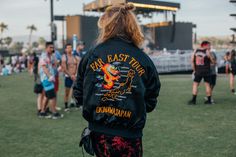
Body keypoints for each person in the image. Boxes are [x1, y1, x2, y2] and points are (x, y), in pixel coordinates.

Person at [73, 4, 161, 157]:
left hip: (99, 134)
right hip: (130, 136)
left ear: (106, 25)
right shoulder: (142, 58)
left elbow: (79, 93)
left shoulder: (92, 54)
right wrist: (133, 108)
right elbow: (151, 98)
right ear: (132, 26)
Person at [39, 41, 63, 119]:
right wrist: (50, 76)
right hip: (46, 79)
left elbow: (55, 63)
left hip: (51, 78)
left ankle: (42, 112)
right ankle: (54, 113)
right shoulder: (44, 56)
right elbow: (44, 67)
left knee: (47, 96)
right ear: (46, 48)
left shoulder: (51, 55)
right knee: (52, 95)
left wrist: (58, 66)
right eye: (50, 47)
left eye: (53, 47)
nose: (52, 49)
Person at [188, 41, 215, 105]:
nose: (210, 47)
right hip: (206, 71)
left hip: (198, 71)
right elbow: (212, 61)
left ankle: (193, 100)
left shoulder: (196, 51)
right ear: (204, 45)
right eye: (209, 45)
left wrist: (194, 70)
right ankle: (209, 101)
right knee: (207, 85)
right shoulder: (207, 51)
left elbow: (191, 60)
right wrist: (212, 59)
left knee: (195, 85)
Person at [61, 43, 80, 111]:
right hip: (68, 77)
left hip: (75, 76)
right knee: (67, 92)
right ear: (66, 49)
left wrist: (76, 74)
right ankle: (66, 106)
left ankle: (75, 103)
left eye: (71, 47)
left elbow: (78, 65)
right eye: (68, 48)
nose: (70, 49)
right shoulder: (64, 57)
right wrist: (71, 75)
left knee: (75, 91)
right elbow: (64, 68)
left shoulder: (75, 57)